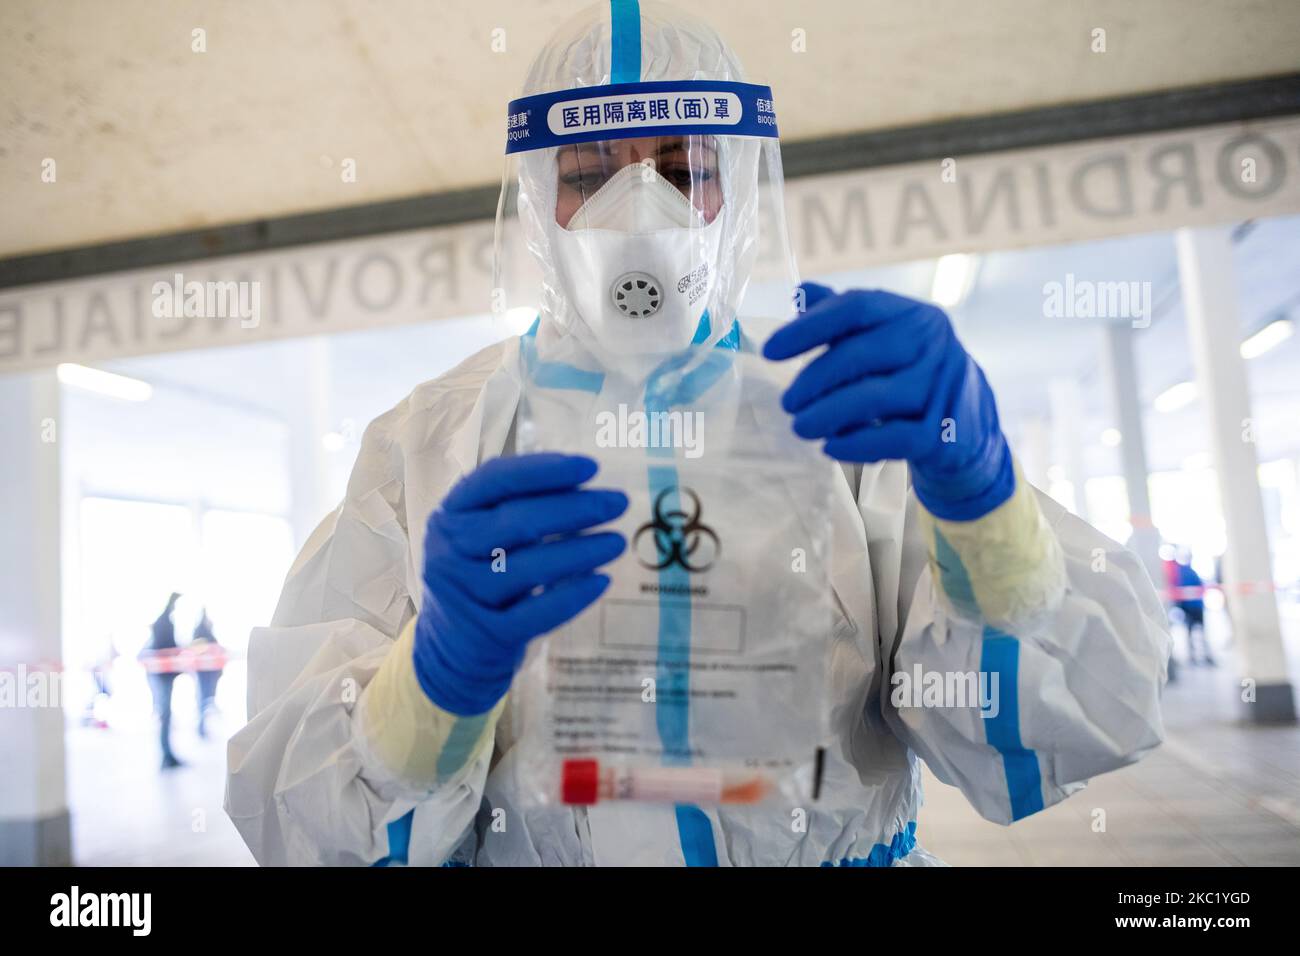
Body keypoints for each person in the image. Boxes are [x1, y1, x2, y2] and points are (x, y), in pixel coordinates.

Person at [227, 0, 1171, 866]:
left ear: (741, 186)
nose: (638, 213)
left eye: (682, 169)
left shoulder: (848, 418)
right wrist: (431, 680)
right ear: (537, 199)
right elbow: (300, 821)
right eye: (589, 176)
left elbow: (1066, 725)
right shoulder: (429, 446)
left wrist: (982, 499)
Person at [146, 592, 184, 769]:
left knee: (165, 714)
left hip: (162, 674)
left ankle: (167, 754)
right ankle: (166, 755)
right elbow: (166, 647)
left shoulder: (163, 621)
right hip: (162, 675)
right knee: (164, 715)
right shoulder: (165, 623)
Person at [1174, 553, 1215, 666]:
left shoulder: (1185, 572)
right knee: (1194, 632)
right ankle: (1197, 656)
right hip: (1192, 607)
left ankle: (1200, 656)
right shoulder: (1184, 572)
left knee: (1195, 632)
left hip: (1194, 607)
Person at [191, 608, 225, 738]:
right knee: (202, 700)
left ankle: (202, 727)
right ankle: (201, 728)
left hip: (209, 673)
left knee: (205, 700)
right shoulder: (202, 632)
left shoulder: (205, 632)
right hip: (203, 674)